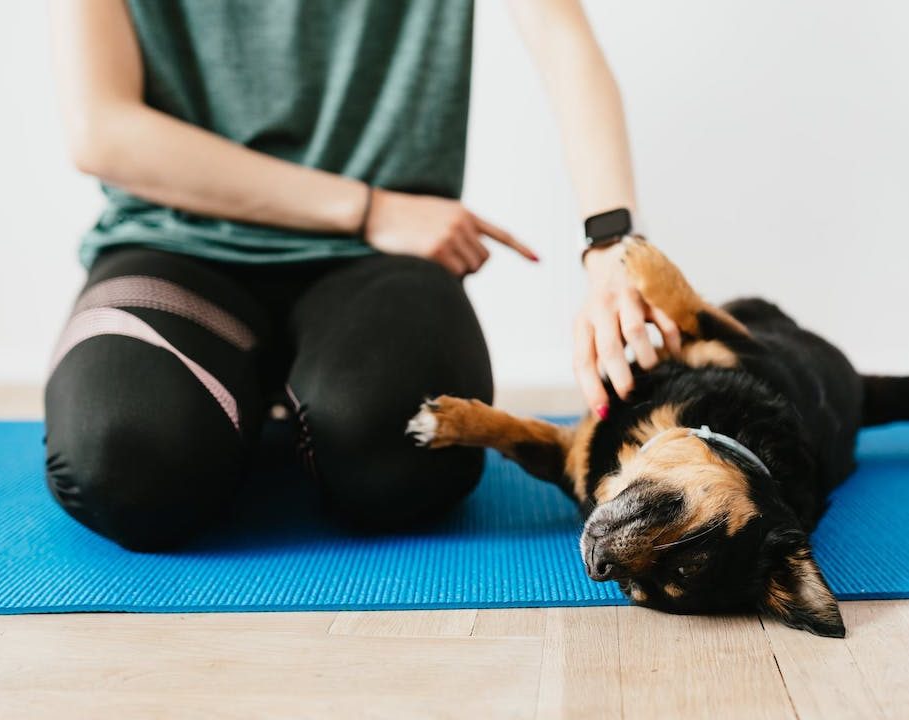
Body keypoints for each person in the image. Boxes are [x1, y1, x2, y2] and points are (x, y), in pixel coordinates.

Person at [45, 0, 681, 551]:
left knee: (405, 460)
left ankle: (280, 417)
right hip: (174, 246)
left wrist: (613, 249)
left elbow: (563, 44)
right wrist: (367, 208)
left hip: (375, 268)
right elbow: (102, 131)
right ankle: (243, 415)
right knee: (123, 463)